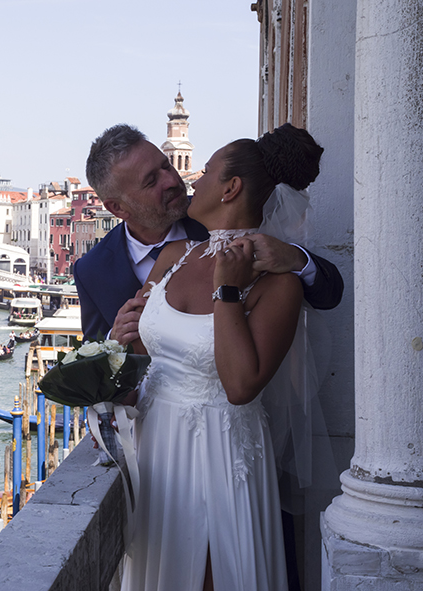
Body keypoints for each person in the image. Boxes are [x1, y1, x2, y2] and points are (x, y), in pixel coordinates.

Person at [120, 123, 323, 590]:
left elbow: (240, 386)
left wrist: (227, 289)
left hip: (217, 451)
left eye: (207, 171)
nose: (195, 179)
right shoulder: (174, 255)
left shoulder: (278, 282)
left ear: (230, 188)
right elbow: (140, 352)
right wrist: (122, 333)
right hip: (155, 451)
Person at [74, 124, 343, 343]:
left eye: (165, 166)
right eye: (151, 181)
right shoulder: (92, 270)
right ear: (117, 208)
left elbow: (329, 296)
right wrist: (113, 338)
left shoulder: (226, 217)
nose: (172, 181)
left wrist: (296, 260)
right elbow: (89, 361)